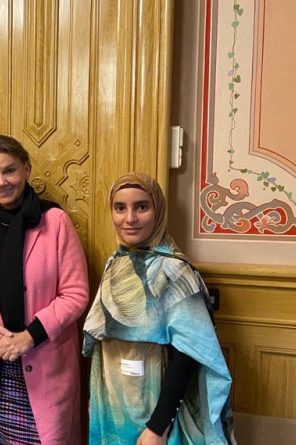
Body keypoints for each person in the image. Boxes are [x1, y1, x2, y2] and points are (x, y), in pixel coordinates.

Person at [0, 135, 90, 445]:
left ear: (26, 169)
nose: (1, 182)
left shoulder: (56, 222)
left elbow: (76, 293)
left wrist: (29, 337)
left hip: (44, 363)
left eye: (9, 170)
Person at [83, 172, 236, 445]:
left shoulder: (175, 271)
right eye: (120, 208)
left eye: (141, 207)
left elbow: (187, 355)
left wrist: (158, 426)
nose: (130, 218)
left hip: (156, 409)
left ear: (158, 211)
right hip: (113, 404)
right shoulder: (115, 263)